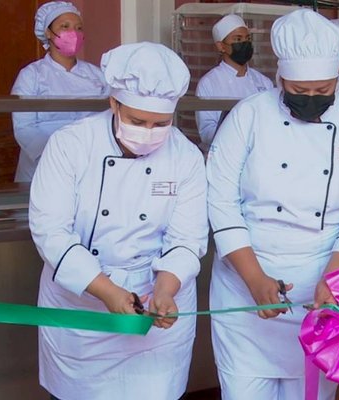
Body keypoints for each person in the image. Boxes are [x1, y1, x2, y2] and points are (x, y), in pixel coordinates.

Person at [206, 9, 339, 400]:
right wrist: (254, 278)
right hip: (246, 283)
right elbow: (220, 198)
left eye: (322, 91)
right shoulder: (248, 116)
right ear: (280, 78)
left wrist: (334, 278)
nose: (311, 100)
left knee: (312, 393)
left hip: (327, 285)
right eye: (299, 92)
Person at [28, 42, 208, 400]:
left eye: (161, 124)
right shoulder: (71, 145)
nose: (149, 132)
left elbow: (187, 239)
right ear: (114, 104)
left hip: (155, 311)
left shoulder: (186, 157)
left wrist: (165, 290)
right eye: (138, 121)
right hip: (82, 308)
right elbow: (51, 231)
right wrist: (108, 291)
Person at [11, 1, 109, 182]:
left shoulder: (97, 75)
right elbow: (24, 127)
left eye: (79, 28)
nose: (74, 33)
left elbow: (109, 119)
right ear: (48, 32)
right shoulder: (31, 75)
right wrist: (53, 155)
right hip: (42, 164)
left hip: (89, 161)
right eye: (65, 26)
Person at [196, 13, 274, 149]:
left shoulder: (264, 82)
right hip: (224, 152)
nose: (244, 43)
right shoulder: (209, 83)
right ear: (221, 46)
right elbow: (206, 132)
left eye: (247, 39)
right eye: (238, 39)